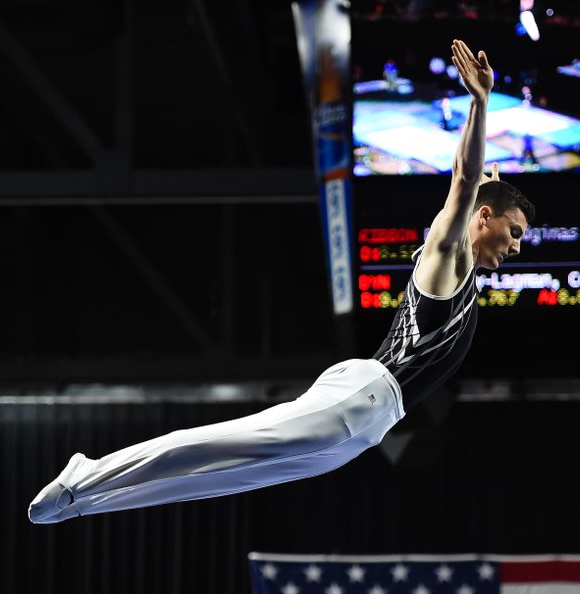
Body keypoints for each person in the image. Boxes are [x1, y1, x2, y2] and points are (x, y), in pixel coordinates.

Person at [27, 40, 534, 524]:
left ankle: (84, 501)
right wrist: (480, 104)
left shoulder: (466, 269)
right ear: (483, 217)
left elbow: (477, 186)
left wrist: (489, 180)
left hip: (367, 430)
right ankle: (88, 472)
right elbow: (464, 183)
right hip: (365, 397)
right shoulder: (450, 258)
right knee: (217, 445)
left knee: (221, 479)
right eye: (514, 232)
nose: (516, 248)